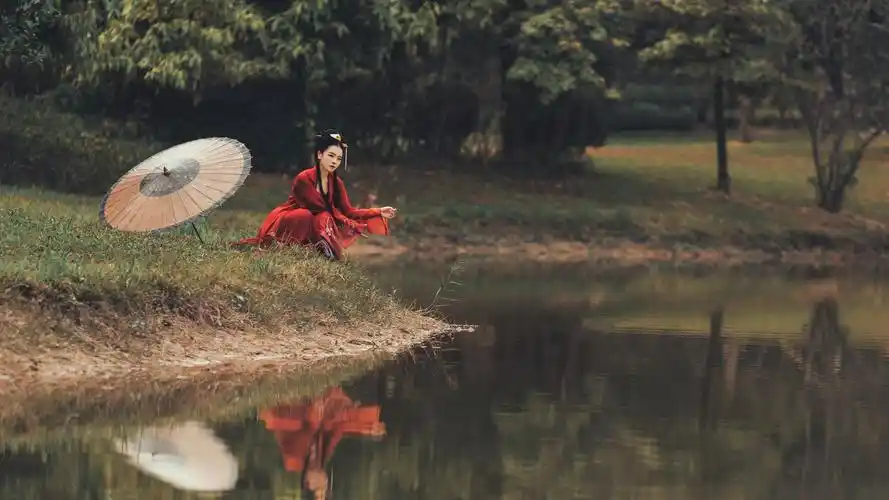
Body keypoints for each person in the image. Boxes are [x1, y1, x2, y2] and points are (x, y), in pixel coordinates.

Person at [234, 131, 397, 260]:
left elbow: (348, 210)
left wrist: (378, 211)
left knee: (322, 217)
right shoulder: (304, 178)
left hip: (316, 221)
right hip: (294, 218)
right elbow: (317, 206)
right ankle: (291, 244)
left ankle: (321, 248)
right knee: (309, 215)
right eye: (331, 156)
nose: (334, 162)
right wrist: (347, 222)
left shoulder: (336, 182)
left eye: (339, 158)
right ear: (320, 155)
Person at [259, 387, 387, 500]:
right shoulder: (322, 458)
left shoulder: (293, 461)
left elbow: (305, 431)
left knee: (326, 415)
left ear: (307, 483)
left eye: (319, 489)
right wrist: (366, 429)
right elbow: (337, 430)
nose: (325, 483)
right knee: (339, 415)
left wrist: (317, 418)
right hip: (313, 415)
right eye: (325, 488)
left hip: (292, 412)